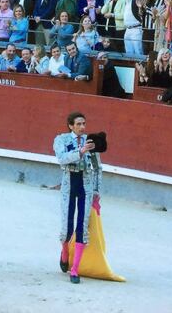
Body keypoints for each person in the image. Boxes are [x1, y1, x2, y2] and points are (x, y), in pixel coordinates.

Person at [53, 112, 102, 284]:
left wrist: (97, 192)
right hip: (68, 183)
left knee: (82, 224)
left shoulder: (91, 141)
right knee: (67, 225)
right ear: (70, 126)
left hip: (85, 185)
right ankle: (65, 251)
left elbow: (97, 168)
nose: (82, 127)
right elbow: (62, 159)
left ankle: (75, 269)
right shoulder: (61, 139)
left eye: (84, 123)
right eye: (79, 124)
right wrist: (81, 151)